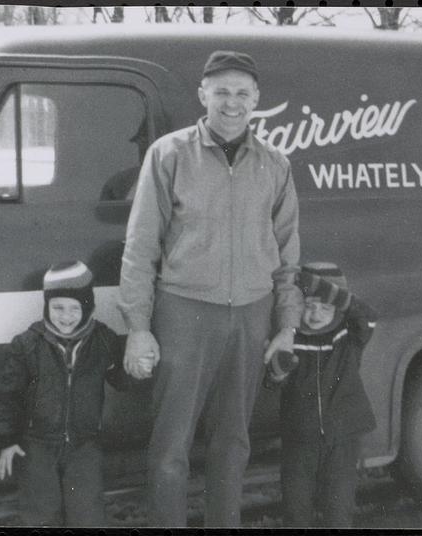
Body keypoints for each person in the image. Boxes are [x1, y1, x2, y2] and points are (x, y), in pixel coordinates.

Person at [117, 50, 303, 527]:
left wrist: (286, 325)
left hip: (250, 314)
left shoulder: (275, 164)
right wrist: (138, 326)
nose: (232, 103)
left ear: (257, 98)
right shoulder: (169, 154)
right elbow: (140, 249)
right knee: (170, 445)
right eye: (222, 92)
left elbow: (287, 256)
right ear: (204, 95)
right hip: (184, 313)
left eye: (242, 93)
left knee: (233, 442)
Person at [0, 261, 136, 526]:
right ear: (46, 306)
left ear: (88, 307)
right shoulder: (27, 344)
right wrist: (7, 440)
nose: (66, 316)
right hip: (36, 445)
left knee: (87, 514)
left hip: (85, 445)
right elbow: (7, 396)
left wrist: (137, 365)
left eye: (74, 308)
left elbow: (123, 380)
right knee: (40, 513)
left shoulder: (104, 340)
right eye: (57, 307)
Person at [265, 262, 378, 528]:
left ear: (338, 308)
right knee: (296, 510)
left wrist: (320, 287)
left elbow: (368, 314)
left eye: (325, 307)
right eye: (309, 306)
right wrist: (277, 373)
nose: (316, 315)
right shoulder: (290, 338)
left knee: (338, 510)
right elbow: (271, 384)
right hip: (299, 438)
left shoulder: (348, 335)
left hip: (342, 436)